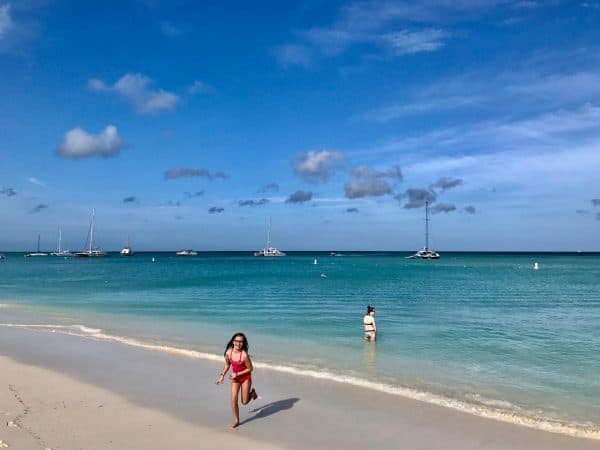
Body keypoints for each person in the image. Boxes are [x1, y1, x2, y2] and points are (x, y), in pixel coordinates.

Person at [215, 332, 258, 428]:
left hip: (245, 378)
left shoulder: (244, 355)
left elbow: (250, 369)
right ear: (233, 341)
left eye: (241, 342)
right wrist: (222, 375)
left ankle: (252, 394)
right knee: (233, 400)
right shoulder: (228, 353)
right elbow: (227, 364)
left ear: (243, 343)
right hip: (235, 379)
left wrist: (237, 374)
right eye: (237, 341)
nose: (239, 344)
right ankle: (236, 420)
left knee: (245, 402)